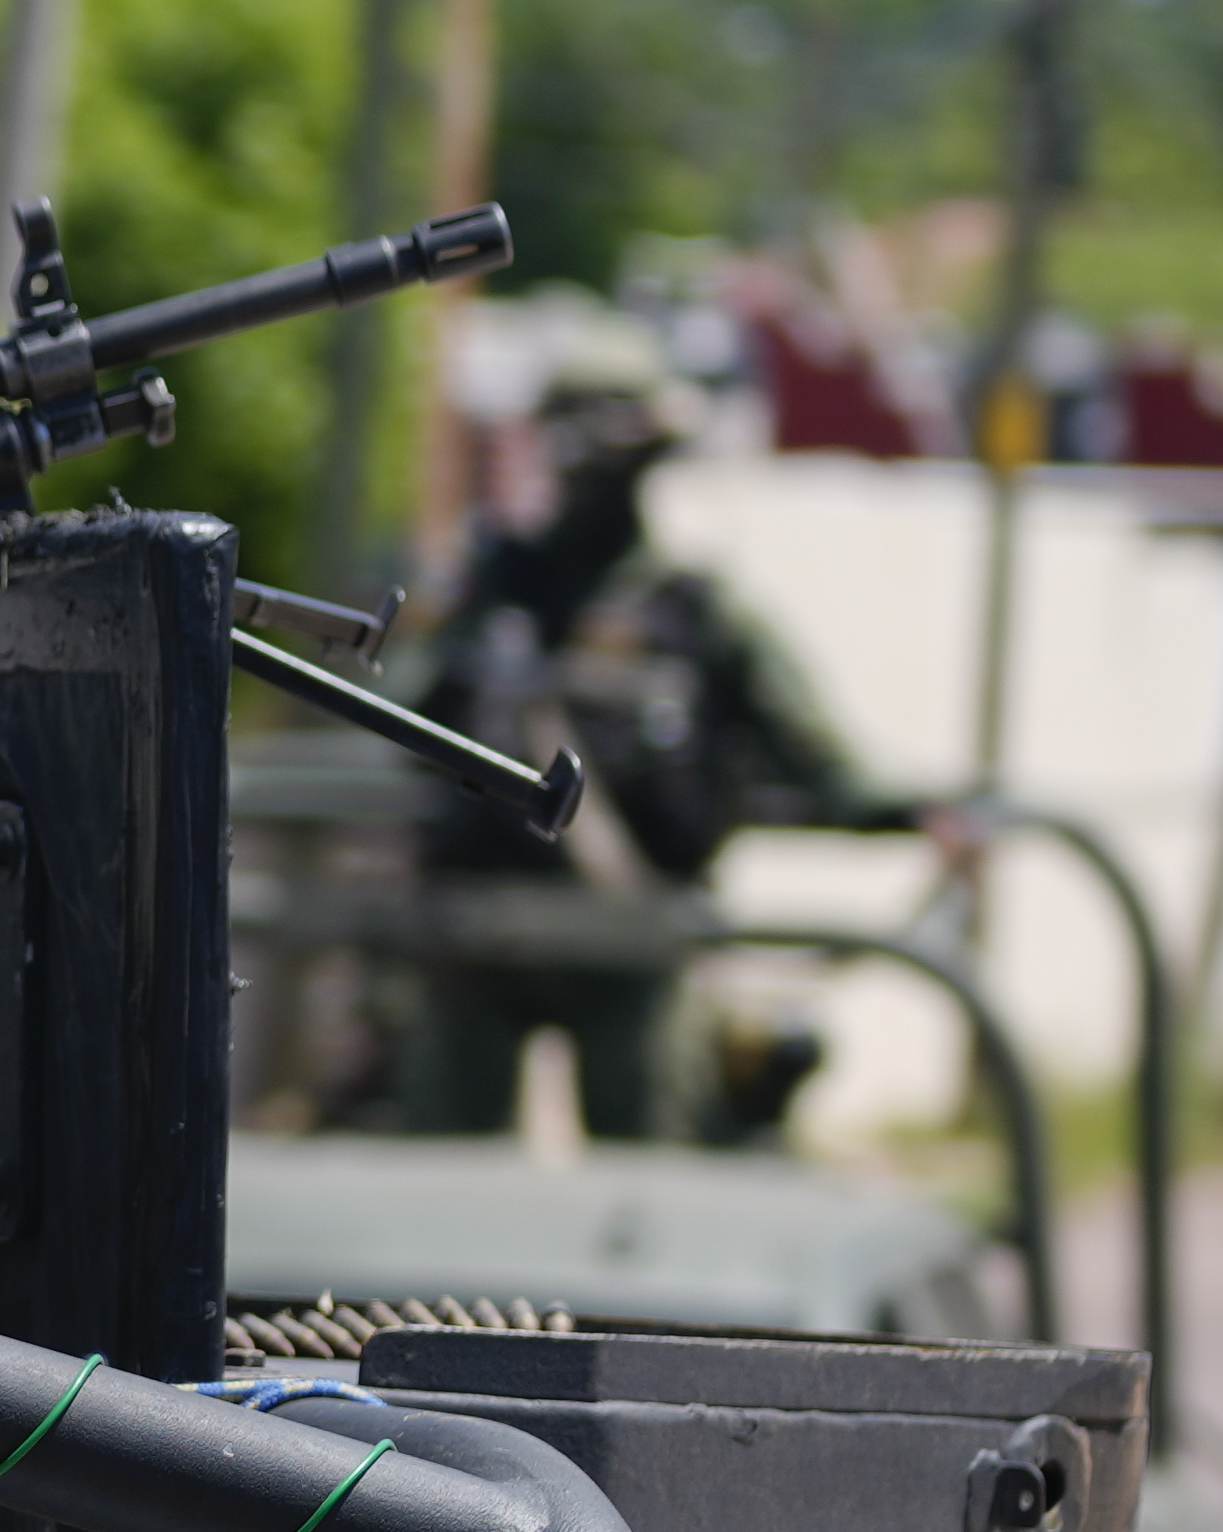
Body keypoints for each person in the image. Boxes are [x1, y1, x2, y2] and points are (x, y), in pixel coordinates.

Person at [383, 356, 895, 1141]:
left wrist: (906, 812)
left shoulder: (692, 611)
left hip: (633, 938)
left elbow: (811, 752)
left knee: (648, 1189)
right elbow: (396, 716)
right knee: (442, 1181)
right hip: (479, 933)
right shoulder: (490, 591)